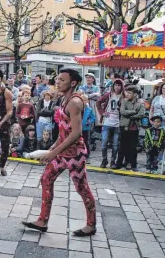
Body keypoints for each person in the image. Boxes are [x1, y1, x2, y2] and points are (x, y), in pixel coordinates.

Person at [22, 68, 96, 236]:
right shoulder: (64, 99)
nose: (58, 82)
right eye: (58, 79)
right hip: (62, 151)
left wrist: (53, 153)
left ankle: (91, 224)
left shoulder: (75, 102)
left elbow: (76, 133)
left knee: (82, 188)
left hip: (75, 154)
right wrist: (52, 148)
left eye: (62, 79)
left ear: (73, 83)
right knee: (46, 179)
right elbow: (64, 130)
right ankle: (43, 220)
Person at [96, 79, 124, 169]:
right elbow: (98, 102)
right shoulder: (108, 95)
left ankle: (113, 161)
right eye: (116, 85)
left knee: (115, 145)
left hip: (117, 123)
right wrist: (102, 112)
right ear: (113, 86)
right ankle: (104, 160)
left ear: (121, 87)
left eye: (119, 85)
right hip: (107, 122)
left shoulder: (123, 96)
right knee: (104, 142)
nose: (117, 87)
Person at [116, 85, 145, 171]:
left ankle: (132, 163)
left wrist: (131, 116)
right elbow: (122, 112)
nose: (127, 94)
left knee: (132, 147)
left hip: (134, 128)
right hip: (124, 126)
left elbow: (141, 114)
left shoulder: (140, 103)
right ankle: (119, 163)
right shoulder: (124, 101)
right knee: (122, 146)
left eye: (129, 93)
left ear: (135, 94)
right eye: (126, 92)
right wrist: (133, 112)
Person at [81, 94, 95, 161]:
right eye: (82, 100)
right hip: (78, 129)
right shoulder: (78, 108)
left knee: (85, 141)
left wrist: (89, 121)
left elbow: (93, 118)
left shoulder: (89, 109)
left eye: (85, 100)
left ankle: (87, 154)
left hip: (85, 128)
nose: (83, 101)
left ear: (87, 101)